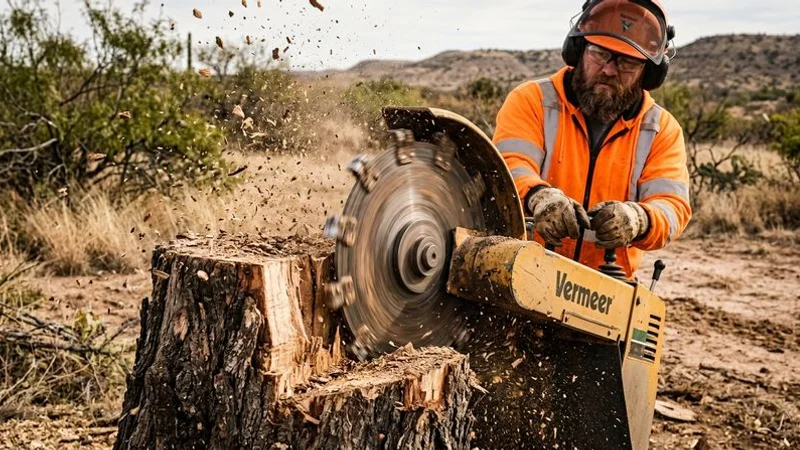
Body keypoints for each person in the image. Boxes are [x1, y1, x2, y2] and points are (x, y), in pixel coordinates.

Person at [493, 0, 691, 278]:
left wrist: (639, 219)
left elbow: (672, 207)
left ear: (649, 72)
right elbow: (509, 167)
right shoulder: (532, 100)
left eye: (626, 62)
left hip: (604, 284)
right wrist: (539, 197)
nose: (609, 70)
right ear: (579, 50)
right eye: (600, 54)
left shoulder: (661, 130)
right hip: (524, 268)